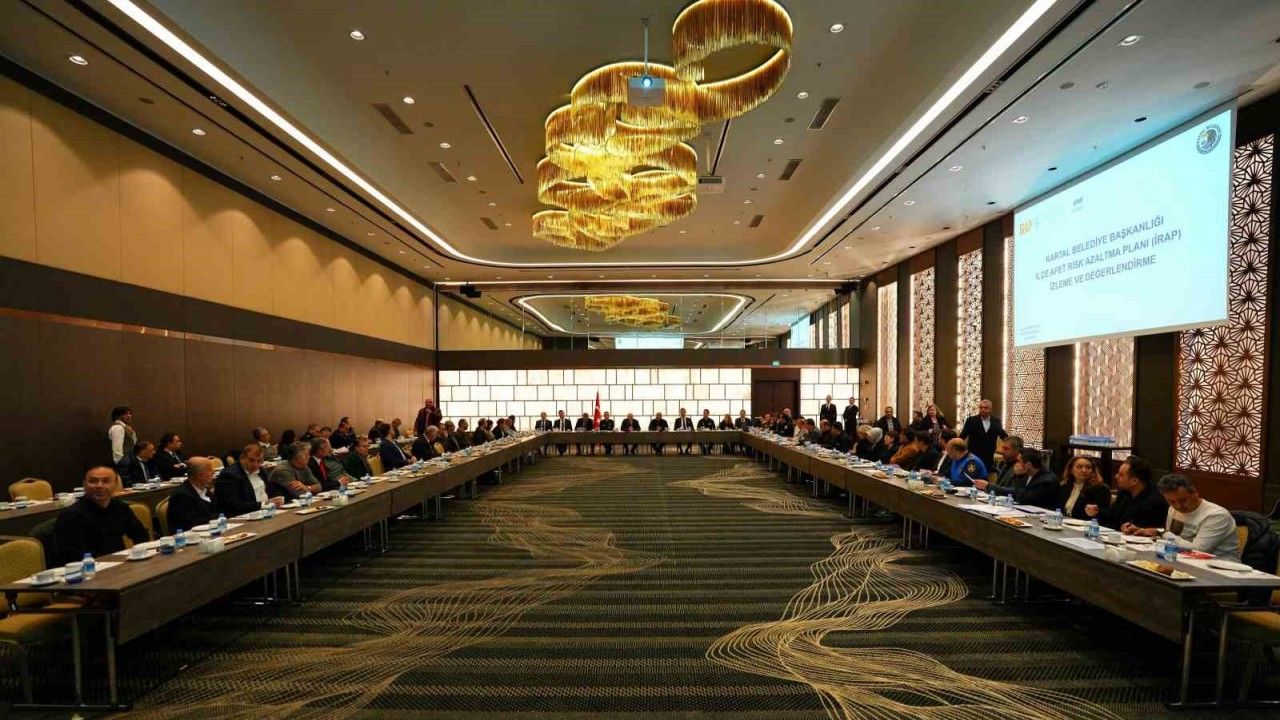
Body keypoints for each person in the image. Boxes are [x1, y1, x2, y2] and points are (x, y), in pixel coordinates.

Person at [1126, 475, 1240, 558]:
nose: (1178, 506)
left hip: (1220, 567)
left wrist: (1163, 533)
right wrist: (1148, 532)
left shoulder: (1216, 515)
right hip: (1184, 559)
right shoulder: (1173, 509)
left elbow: (1199, 550)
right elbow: (1172, 541)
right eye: (1171, 501)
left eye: (1183, 500)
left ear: (1195, 493)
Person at [54, 466, 150, 564]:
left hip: (121, 565)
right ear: (84, 484)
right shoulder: (70, 516)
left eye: (106, 481)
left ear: (116, 484)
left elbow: (140, 535)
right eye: (93, 481)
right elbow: (71, 556)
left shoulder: (120, 507)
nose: (99, 486)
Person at [1086, 456, 1167, 531]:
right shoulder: (1124, 492)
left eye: (1121, 475)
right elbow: (1113, 516)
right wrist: (1097, 511)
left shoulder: (1154, 501)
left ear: (1134, 481)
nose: (1116, 476)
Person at [217, 444, 284, 516]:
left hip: (266, 511)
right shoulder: (229, 475)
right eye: (251, 460)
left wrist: (278, 498)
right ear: (242, 458)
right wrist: (263, 504)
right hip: (244, 515)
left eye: (259, 461)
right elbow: (233, 504)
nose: (255, 465)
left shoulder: (261, 470)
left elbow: (270, 490)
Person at [976, 447, 1057, 507]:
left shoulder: (1046, 480)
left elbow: (1023, 497)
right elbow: (1015, 491)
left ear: (1028, 465)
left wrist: (989, 486)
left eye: (1019, 461)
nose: (1016, 464)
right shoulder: (1027, 475)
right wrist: (1019, 476)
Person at [165, 456, 221, 533]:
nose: (213, 472)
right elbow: (195, 524)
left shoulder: (205, 491)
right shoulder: (181, 496)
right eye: (210, 470)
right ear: (200, 475)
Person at [959, 399, 1007, 469]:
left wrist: (1011, 444)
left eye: (986, 408)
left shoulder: (996, 421)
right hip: (974, 455)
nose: (983, 409)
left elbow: (1003, 435)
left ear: (990, 409)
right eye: (981, 407)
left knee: (985, 474)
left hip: (989, 456)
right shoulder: (971, 420)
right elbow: (962, 436)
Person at [1059, 456, 1111, 520]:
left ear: (1093, 471)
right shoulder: (1064, 486)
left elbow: (1106, 514)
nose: (1084, 470)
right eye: (1079, 467)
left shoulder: (1100, 489)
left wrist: (1096, 512)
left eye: (1088, 468)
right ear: (1071, 470)